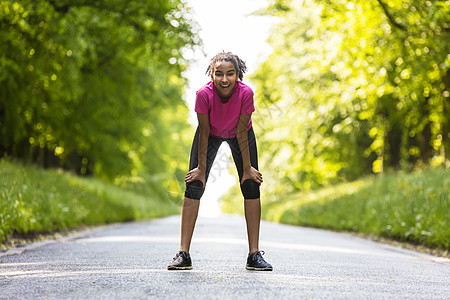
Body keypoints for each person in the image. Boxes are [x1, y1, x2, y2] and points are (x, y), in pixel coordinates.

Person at [167, 51, 272, 271]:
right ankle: (183, 253)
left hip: (240, 134)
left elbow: (241, 132)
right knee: (194, 184)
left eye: (230, 74)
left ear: (238, 75)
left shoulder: (246, 94)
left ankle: (254, 255)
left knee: (251, 184)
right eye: (219, 74)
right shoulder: (203, 94)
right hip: (210, 134)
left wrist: (247, 170)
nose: (225, 79)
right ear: (212, 75)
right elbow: (204, 131)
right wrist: (201, 170)